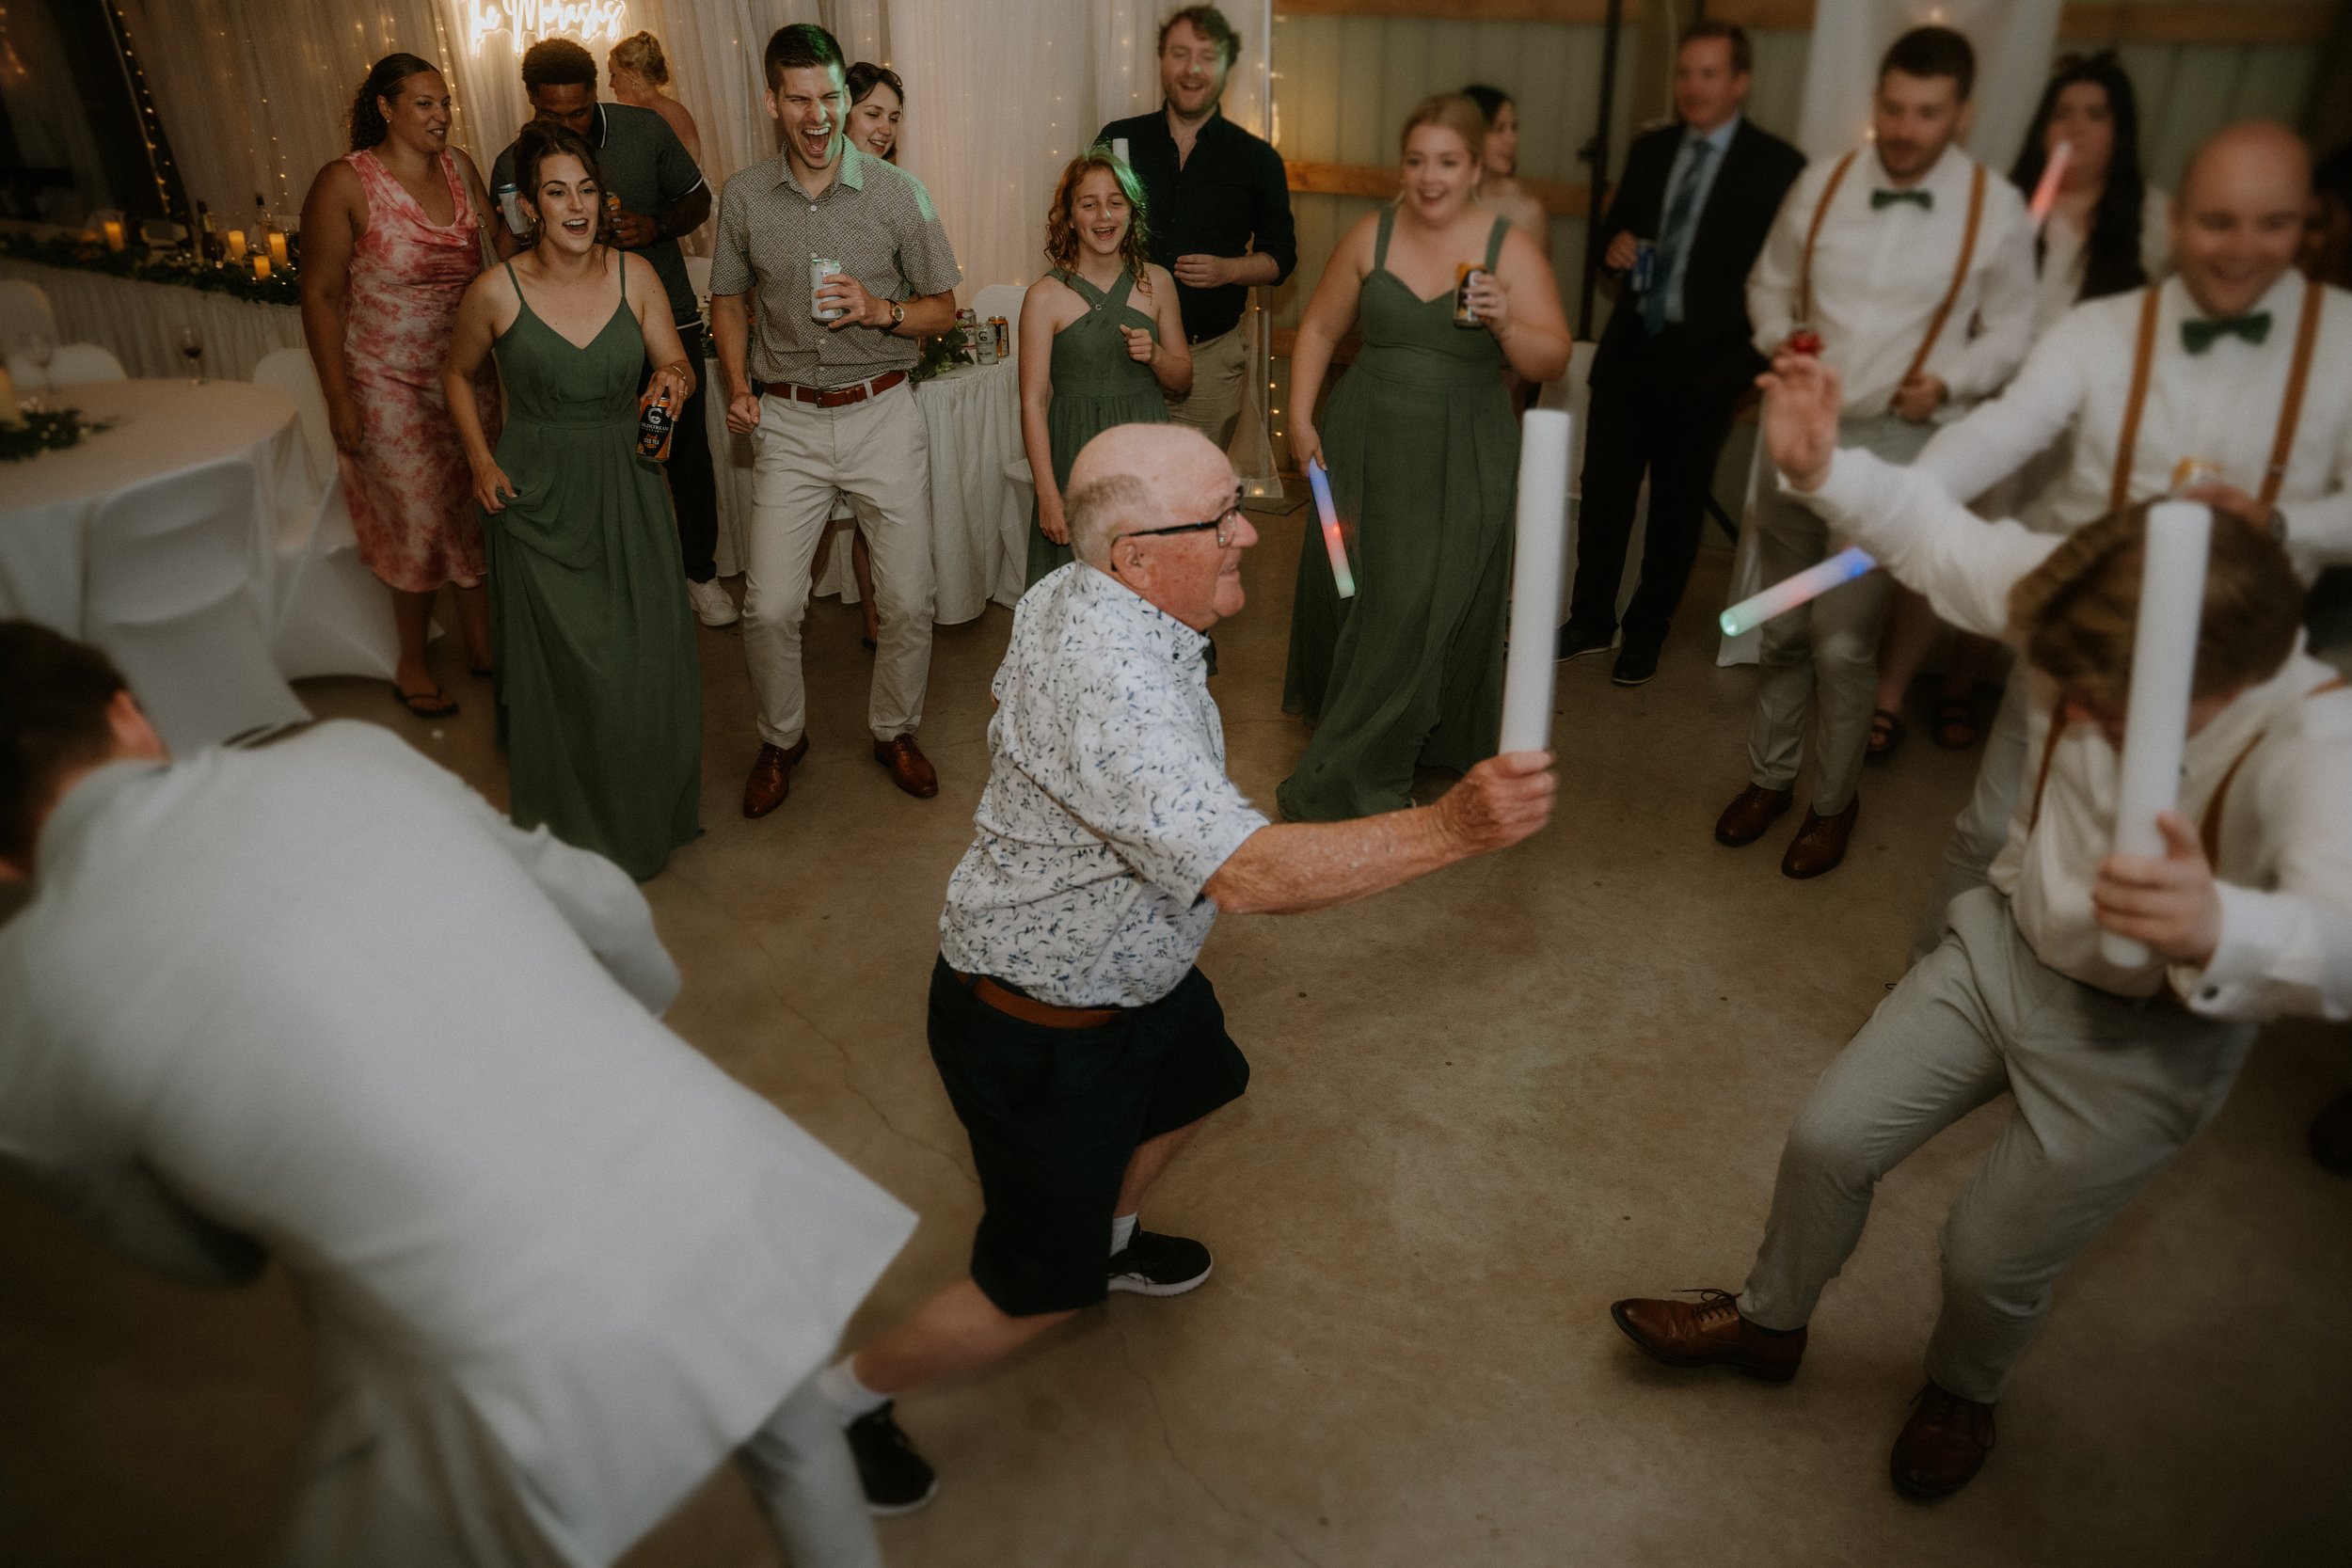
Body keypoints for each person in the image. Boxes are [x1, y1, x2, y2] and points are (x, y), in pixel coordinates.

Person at [0, 622, 917, 1567]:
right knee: (790, 1425)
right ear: (127, 714)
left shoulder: (20, 1012)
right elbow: (612, 912)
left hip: (493, 1363)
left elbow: (208, 1257)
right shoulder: (349, 754)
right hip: (710, 1180)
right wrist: (595, 1053)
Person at [1610, 348, 2351, 1501]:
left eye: (2103, 699)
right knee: (1826, 1137)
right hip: (2002, 945)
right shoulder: (2088, 586)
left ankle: (1963, 1386)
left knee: (1987, 1257)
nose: (2078, 712)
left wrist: (2229, 923)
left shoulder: (2316, 733)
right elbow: (1937, 539)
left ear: (2223, 674)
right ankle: (1766, 1323)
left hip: (2145, 1042)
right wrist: (1819, 465)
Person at [805, 423, 1558, 1513]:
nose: (1249, 531)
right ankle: (833, 1404)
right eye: (1220, 521)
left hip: (1140, 968)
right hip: (1040, 1026)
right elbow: (1246, 874)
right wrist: (1451, 828)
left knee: (1202, 1083)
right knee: (1029, 1291)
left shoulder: (1087, 589)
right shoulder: (1112, 686)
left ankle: (1109, 1241)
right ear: (1134, 555)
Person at [1896, 119, 2352, 964]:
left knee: (2191, 859)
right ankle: (1937, 986)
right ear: (2176, 221)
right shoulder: (2101, 329)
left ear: (2308, 224)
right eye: (2219, 222)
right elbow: (2001, 431)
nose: (2244, 249)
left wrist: (2285, 522)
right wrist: (1909, 499)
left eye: (2275, 224)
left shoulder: (2346, 339)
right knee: (1993, 823)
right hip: (2082, 644)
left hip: (2233, 677)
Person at [1714, 24, 2034, 879]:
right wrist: (1785, 339)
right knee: (1781, 627)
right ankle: (1772, 777)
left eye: (1925, 114)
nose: (1903, 128)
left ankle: (1833, 800)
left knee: (1841, 641)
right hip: (1801, 426)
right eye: (1892, 108)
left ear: (1959, 114)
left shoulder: (1992, 209)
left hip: (1894, 443)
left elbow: (2012, 330)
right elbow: (1767, 284)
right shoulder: (1822, 186)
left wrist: (1954, 379)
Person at [1870, 50, 2172, 757]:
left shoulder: (2153, 222)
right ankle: (1889, 691)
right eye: (2063, 112)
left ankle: (1961, 686)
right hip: (1986, 407)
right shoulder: (2002, 204)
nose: (2076, 127)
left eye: (2095, 115)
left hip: (2076, 433)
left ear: (2119, 129)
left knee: (2024, 557)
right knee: (1941, 542)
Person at [1279, 96, 1571, 822]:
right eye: (1416, 161)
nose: (1429, 176)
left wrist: (1507, 320)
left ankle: (1366, 764)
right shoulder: (1370, 236)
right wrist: (1299, 418)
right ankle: (1359, 718)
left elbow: (1554, 355)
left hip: (1463, 445)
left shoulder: (1509, 247)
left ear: (1474, 167)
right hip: (1365, 439)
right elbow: (1316, 328)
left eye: (1447, 161)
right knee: (1359, 591)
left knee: (1417, 602)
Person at [710, 25, 961, 818]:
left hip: (882, 409)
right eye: (799, 99)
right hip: (785, 422)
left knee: (911, 596)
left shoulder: (899, 193)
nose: (817, 117)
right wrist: (734, 381)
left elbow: (945, 311)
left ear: (845, 99)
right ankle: (783, 738)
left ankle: (894, 728)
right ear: (771, 101)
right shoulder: (746, 195)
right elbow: (725, 298)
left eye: (830, 98)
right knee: (771, 604)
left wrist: (881, 309)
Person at [442, 123, 702, 882]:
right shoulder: (496, 290)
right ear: (529, 206)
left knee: (636, 658)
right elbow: (457, 376)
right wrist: (480, 458)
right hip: (534, 495)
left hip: (627, 484)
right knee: (566, 669)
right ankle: (572, 827)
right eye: (558, 192)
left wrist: (672, 384)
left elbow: (677, 362)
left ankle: (643, 806)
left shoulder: (636, 277)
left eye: (587, 190)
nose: (577, 205)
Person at [1553, 20, 1804, 687]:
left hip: (1708, 364)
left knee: (1675, 508)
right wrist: (1614, 247)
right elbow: (1616, 230)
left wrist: (1744, 372)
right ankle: (1589, 619)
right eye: (1685, 73)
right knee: (1604, 493)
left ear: (1740, 82)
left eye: (1709, 73)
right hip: (1633, 348)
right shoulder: (1653, 149)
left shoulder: (1779, 168)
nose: (1692, 86)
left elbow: (1791, 278)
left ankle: (1646, 631)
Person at [489, 40, 731, 633]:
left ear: (596, 90)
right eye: (554, 115)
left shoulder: (644, 130)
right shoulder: (511, 162)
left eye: (579, 111)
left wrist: (654, 226)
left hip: (659, 313)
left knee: (675, 448)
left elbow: (698, 200)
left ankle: (698, 572)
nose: (569, 123)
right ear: (531, 103)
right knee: (594, 456)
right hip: (569, 328)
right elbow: (508, 249)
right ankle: (608, 575)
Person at [298, 53, 501, 719]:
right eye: (424, 103)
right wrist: (338, 398)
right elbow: (322, 295)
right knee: (415, 520)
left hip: (467, 377)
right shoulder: (345, 183)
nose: (441, 115)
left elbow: (497, 255)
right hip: (386, 381)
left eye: (445, 103)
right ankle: (411, 662)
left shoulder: (461, 167)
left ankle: (481, 641)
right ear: (385, 108)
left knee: (477, 507)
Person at [1095, 6, 1296, 451]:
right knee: (1119, 487)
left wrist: (1229, 271)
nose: (1192, 69)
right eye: (1180, 54)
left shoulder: (1256, 158)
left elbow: (1282, 256)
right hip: (1120, 351)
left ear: (1226, 67)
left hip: (1208, 362)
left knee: (1188, 499)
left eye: (1206, 56)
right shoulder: (1119, 139)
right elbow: (1084, 224)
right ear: (1162, 61)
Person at [1020, 150, 1190, 585]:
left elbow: (1183, 379)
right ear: (1069, 216)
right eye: (1088, 203)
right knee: (1080, 595)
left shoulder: (1158, 283)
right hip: (1075, 452)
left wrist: (1155, 355)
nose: (1104, 215)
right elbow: (1033, 402)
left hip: (1144, 451)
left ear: (1132, 212)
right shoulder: (1044, 296)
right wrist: (1047, 494)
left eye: (1116, 202)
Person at [808, 59, 909, 652]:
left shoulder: (897, 192)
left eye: (893, 118)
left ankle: (876, 618)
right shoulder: (799, 191)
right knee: (812, 523)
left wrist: (884, 309)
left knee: (875, 519)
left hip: (878, 382)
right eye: (873, 113)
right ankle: (786, 618)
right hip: (809, 393)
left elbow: (928, 296)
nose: (884, 128)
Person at [1458, 85, 1550, 254]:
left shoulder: (1526, 212)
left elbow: (1535, 279)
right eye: (1498, 129)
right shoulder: (1444, 200)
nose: (1512, 140)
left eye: (1513, 128)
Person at [607, 30, 703, 168]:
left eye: (613, 75)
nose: (611, 84)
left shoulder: (652, 114)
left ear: (633, 75)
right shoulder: (670, 109)